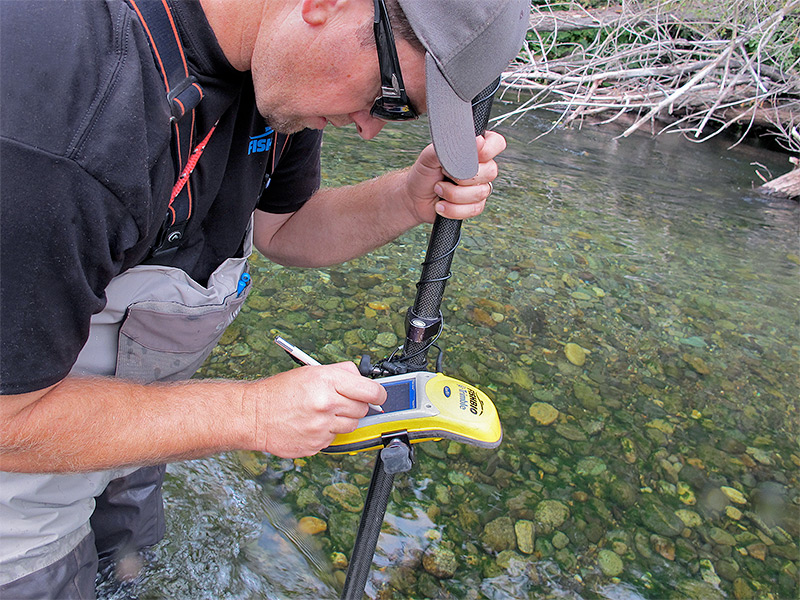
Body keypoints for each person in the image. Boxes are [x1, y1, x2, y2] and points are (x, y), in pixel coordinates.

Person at [0, 0, 530, 596]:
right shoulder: (59, 128)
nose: (370, 127)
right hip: (23, 446)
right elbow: (8, 420)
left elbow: (283, 226)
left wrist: (407, 197)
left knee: (127, 562)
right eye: (389, 100)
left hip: (130, 420)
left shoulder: (279, 74)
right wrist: (249, 414)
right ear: (325, 5)